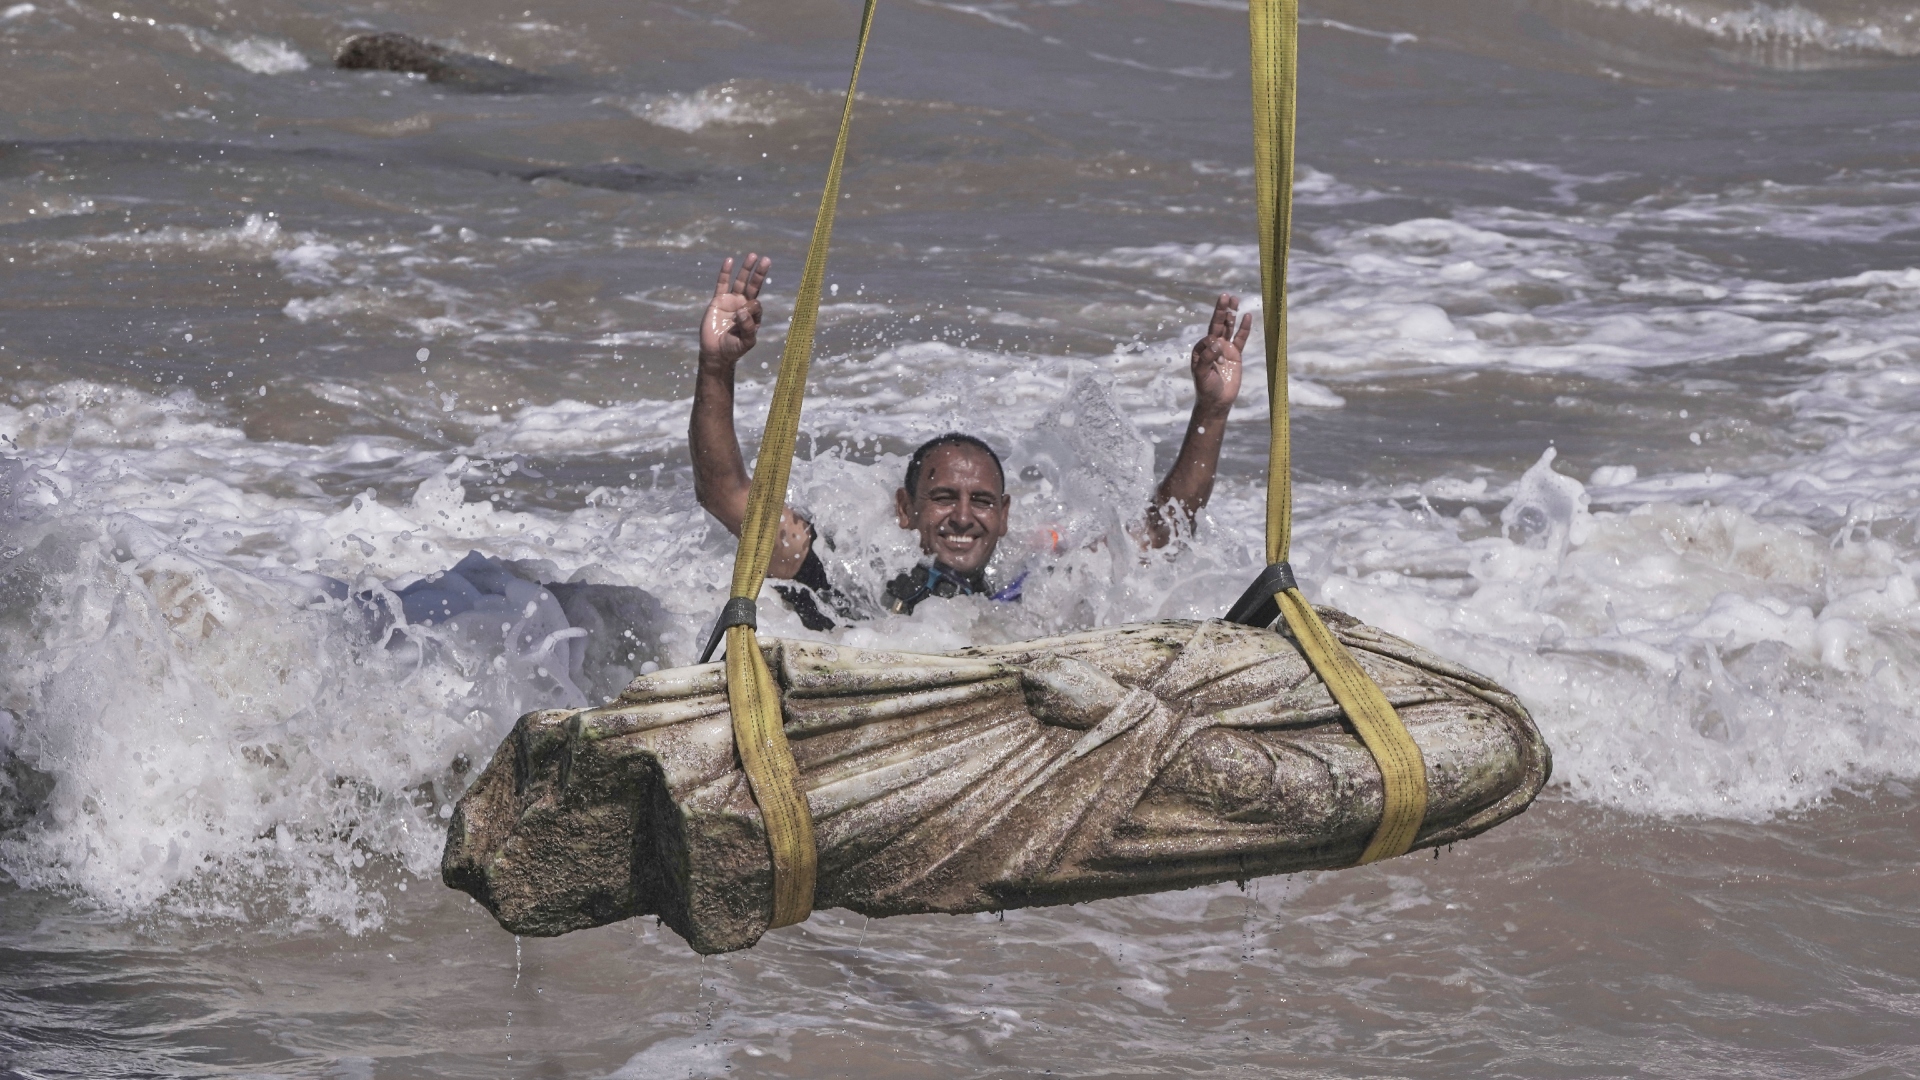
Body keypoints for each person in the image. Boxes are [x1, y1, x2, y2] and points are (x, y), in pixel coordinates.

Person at [688, 253, 1249, 624]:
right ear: (905, 510)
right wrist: (717, 369)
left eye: (981, 501)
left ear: (1004, 515)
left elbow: (1162, 529)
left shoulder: (1031, 591)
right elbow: (728, 496)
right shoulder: (845, 577)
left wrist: (1212, 410)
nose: (963, 516)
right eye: (942, 497)